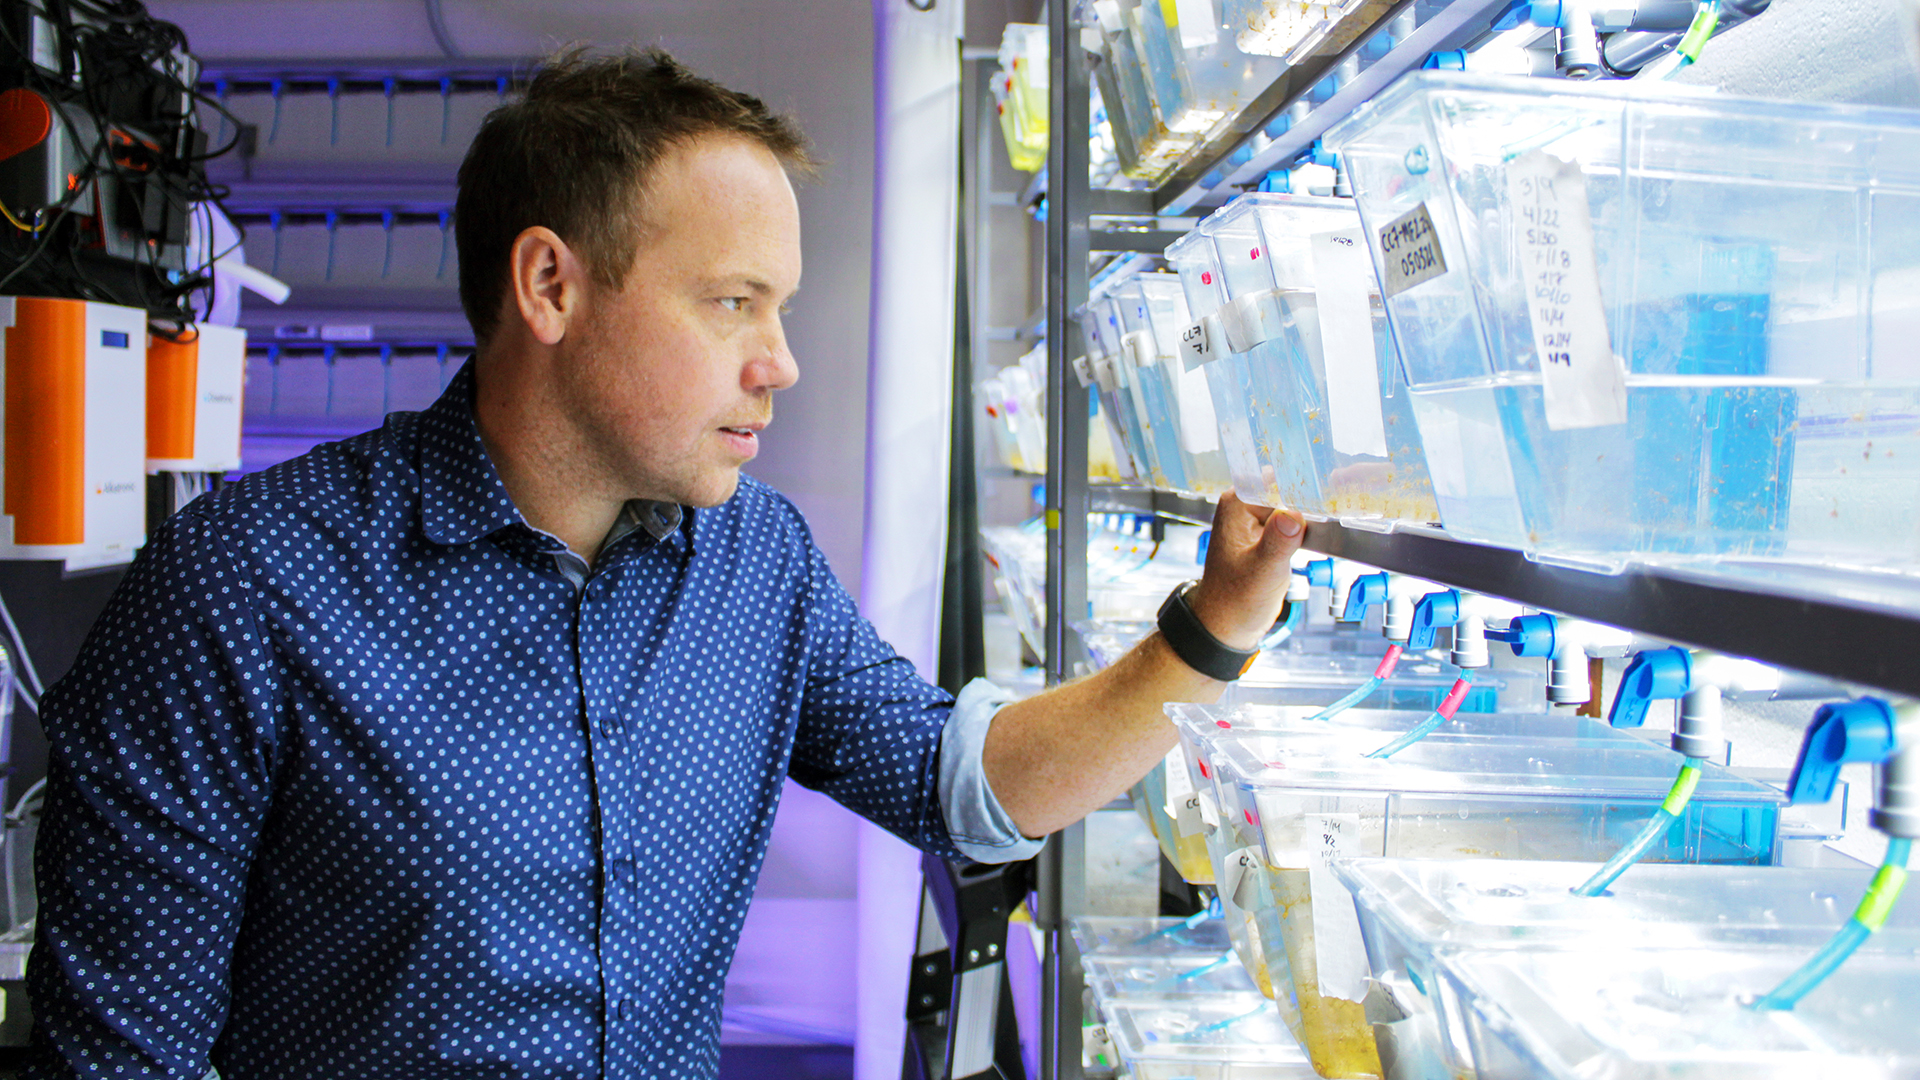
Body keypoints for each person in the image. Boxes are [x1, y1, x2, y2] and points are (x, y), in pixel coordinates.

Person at [25, 48, 1302, 1079]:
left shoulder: (756, 562)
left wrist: (1209, 633)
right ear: (551, 287)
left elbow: (960, 783)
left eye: (782, 307)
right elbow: (126, 1054)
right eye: (733, 301)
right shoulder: (246, 589)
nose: (781, 361)